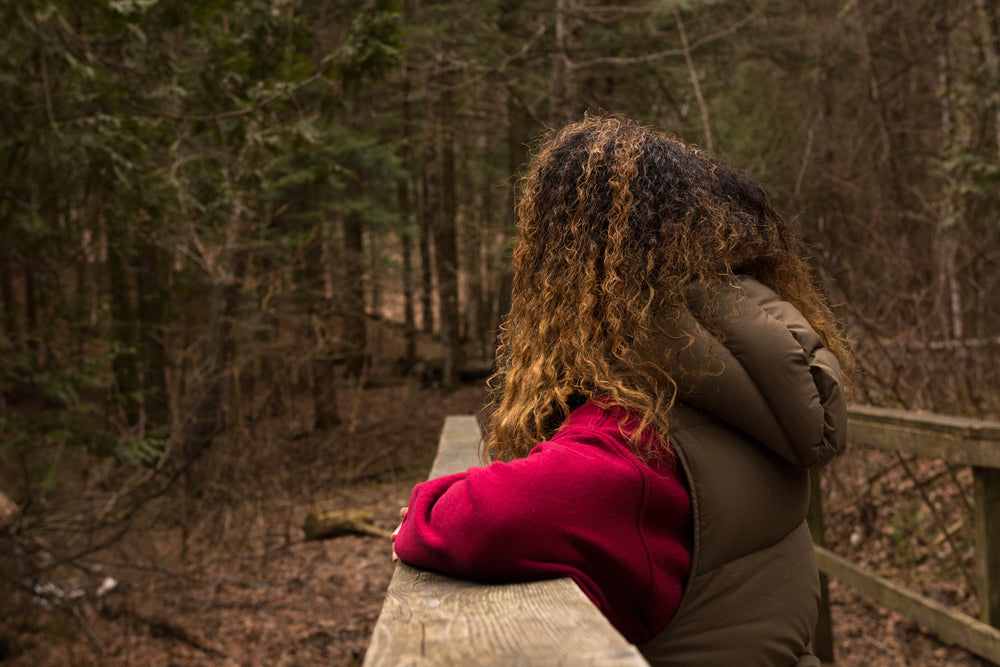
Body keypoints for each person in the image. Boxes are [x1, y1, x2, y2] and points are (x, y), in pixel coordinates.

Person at [390, 114, 851, 666]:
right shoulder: (742, 401)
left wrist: (424, 504)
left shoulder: (632, 448)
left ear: (572, 279)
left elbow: (475, 523)